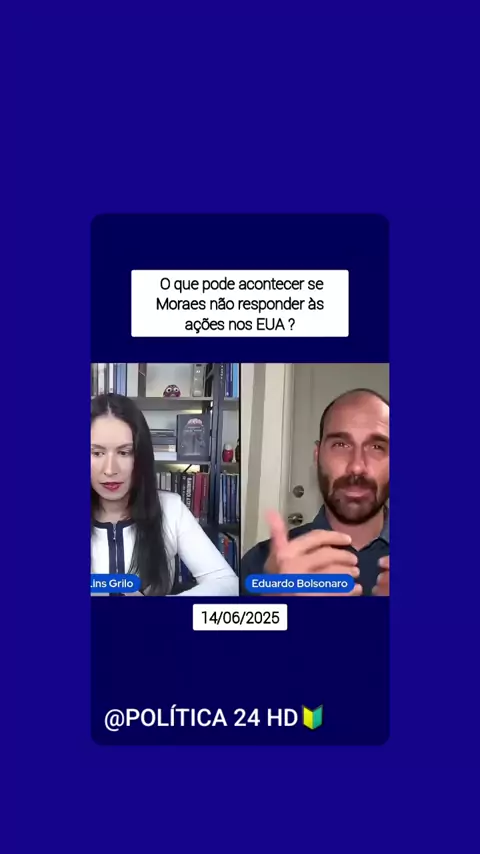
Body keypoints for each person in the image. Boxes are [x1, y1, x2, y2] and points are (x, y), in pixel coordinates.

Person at [241, 388, 389, 596]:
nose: (357, 467)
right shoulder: (260, 565)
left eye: (376, 447)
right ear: (317, 455)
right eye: (341, 445)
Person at [91, 393, 239, 596]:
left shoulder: (171, 509)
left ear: (141, 456)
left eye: (124, 452)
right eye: (97, 453)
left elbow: (227, 583)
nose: (110, 469)